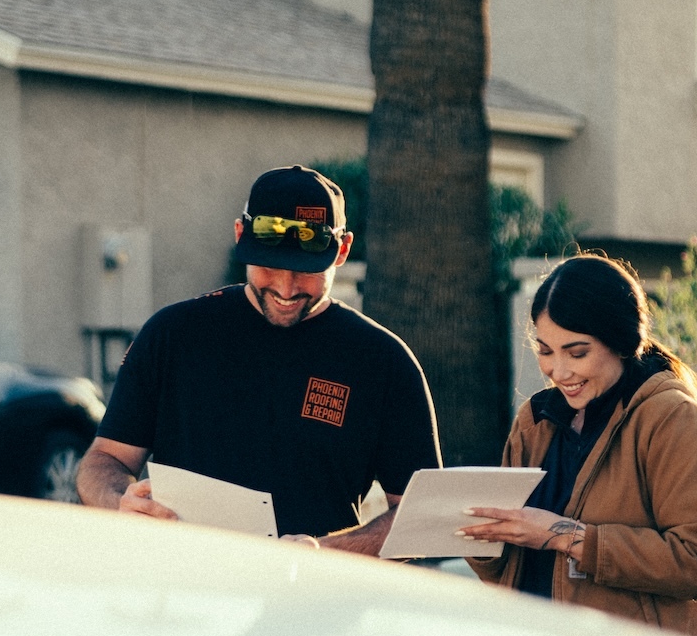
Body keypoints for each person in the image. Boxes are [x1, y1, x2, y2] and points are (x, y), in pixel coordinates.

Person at [77, 164, 441, 554]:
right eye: (269, 266)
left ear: (344, 250)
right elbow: (103, 460)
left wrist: (326, 551)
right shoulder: (173, 335)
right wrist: (120, 502)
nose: (286, 288)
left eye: (305, 270)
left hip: (314, 599)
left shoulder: (384, 361)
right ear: (240, 236)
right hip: (182, 592)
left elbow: (420, 514)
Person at [458, 253, 697, 636]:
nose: (558, 371)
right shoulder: (533, 420)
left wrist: (564, 536)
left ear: (621, 341)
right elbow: (510, 572)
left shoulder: (673, 419)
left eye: (577, 353)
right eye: (545, 350)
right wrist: (478, 539)